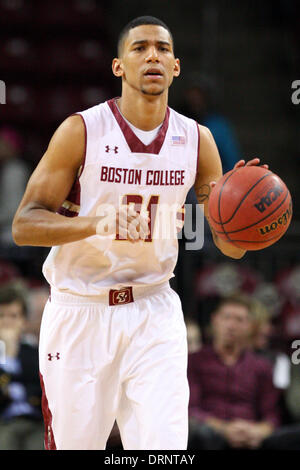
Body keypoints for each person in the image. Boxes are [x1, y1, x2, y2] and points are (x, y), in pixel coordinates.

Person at [12, 16, 268, 450]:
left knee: (164, 451)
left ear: (176, 67)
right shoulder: (82, 130)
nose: (153, 55)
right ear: (118, 66)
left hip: (154, 310)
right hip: (81, 309)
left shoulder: (197, 140)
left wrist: (237, 216)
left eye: (163, 49)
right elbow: (23, 226)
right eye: (140, 48)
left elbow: (231, 248)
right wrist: (97, 223)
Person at [188, 294, 281, 450]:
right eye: (226, 317)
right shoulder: (194, 361)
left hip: (251, 436)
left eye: (239, 320)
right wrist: (224, 429)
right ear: (215, 320)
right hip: (209, 436)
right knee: (201, 434)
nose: (231, 325)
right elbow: (190, 409)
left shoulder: (262, 366)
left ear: (250, 326)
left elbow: (271, 416)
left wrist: (258, 431)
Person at [0, 282, 43, 450]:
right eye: (2, 316)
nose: (7, 322)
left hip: (35, 420)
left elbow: (42, 387)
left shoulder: (34, 351)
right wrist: (8, 355)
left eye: (13, 316)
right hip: (4, 422)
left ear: (24, 321)